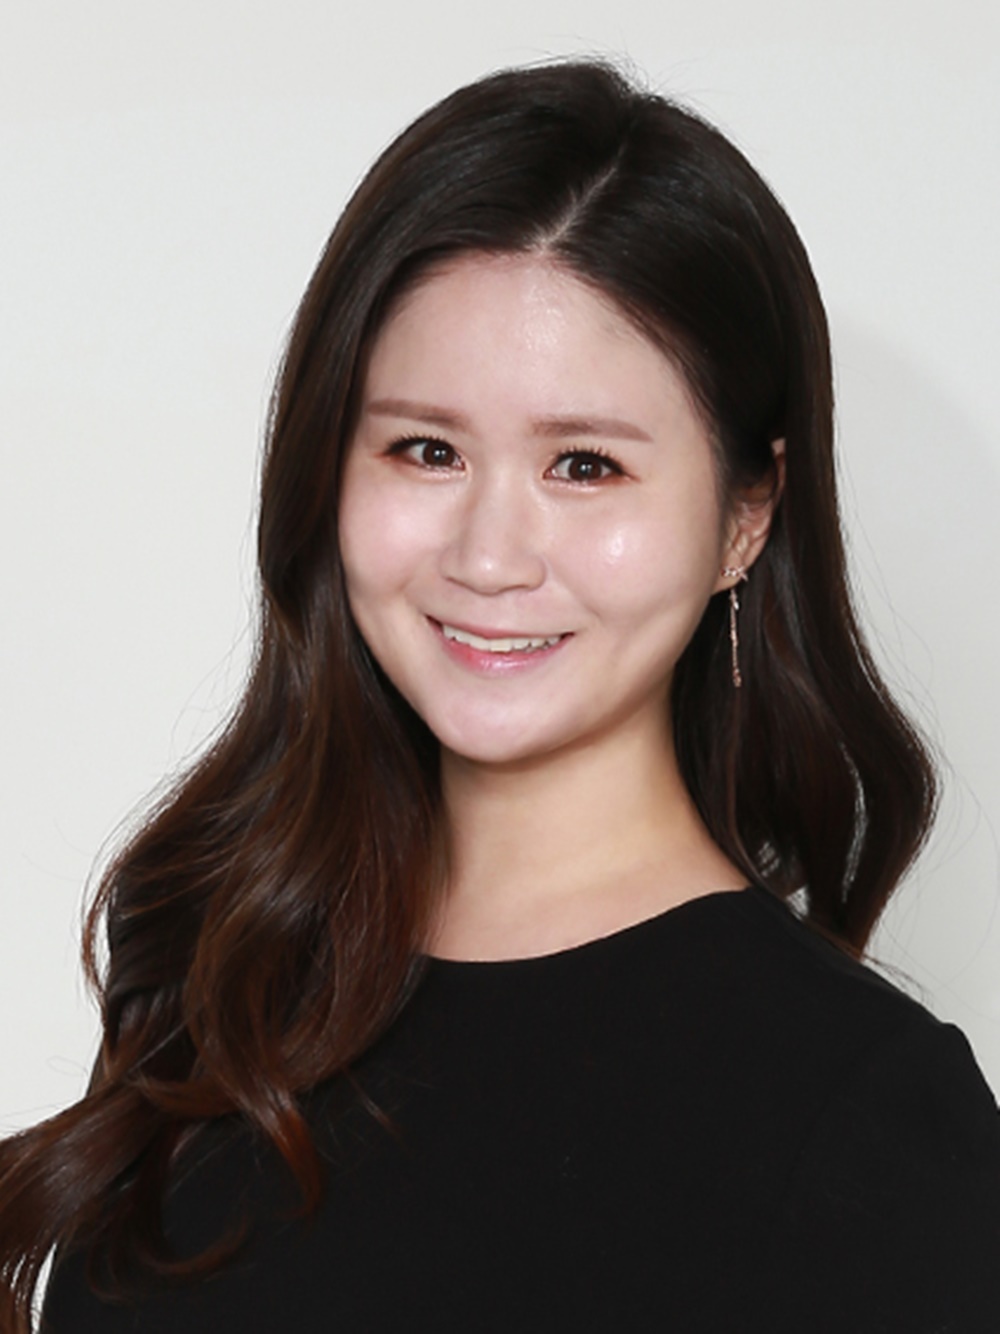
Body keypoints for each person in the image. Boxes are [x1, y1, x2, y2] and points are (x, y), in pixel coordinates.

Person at [1, 58, 998, 1333]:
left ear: (746, 515)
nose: (486, 555)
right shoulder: (223, 998)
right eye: (426, 449)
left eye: (584, 465)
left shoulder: (870, 1117)